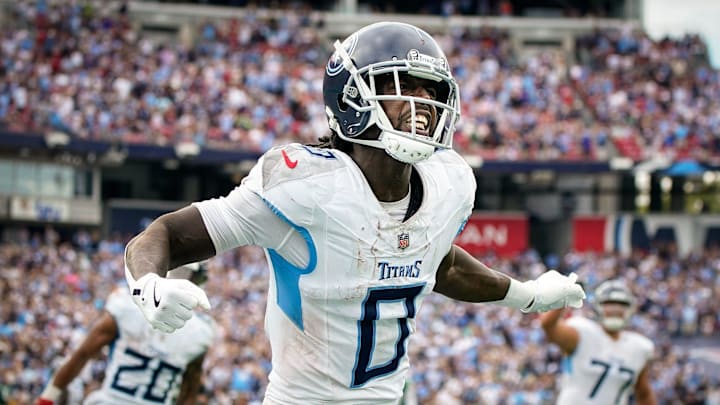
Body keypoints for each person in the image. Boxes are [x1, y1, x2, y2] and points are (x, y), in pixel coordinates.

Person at [123, 21, 586, 404]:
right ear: (351, 98)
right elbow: (167, 234)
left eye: (431, 93)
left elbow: (437, 264)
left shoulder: (451, 182)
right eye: (401, 90)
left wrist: (527, 296)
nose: (422, 108)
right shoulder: (305, 184)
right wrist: (148, 283)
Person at [36, 263, 215, 405]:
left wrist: (47, 398)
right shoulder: (200, 332)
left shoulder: (127, 305)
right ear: (198, 280)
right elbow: (189, 389)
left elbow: (82, 354)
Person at [540, 279, 656, 405]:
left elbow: (643, 393)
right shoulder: (582, 332)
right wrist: (565, 295)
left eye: (621, 304)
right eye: (609, 303)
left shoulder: (639, 347)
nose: (615, 309)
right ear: (597, 306)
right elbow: (548, 325)